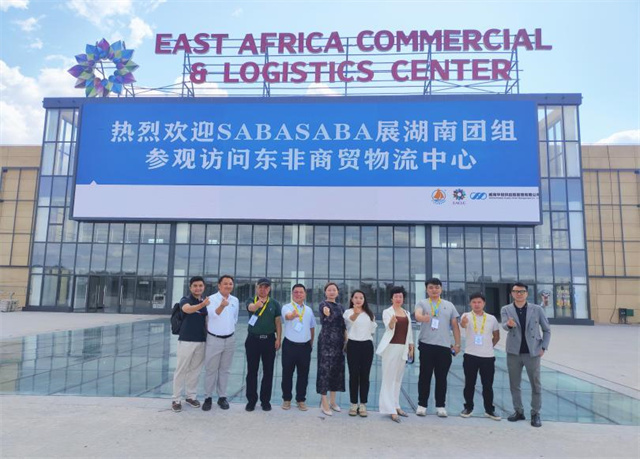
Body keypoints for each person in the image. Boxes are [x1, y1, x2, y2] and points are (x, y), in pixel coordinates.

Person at [501, 282, 551, 428]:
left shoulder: (537, 309)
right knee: (514, 384)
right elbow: (504, 326)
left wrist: (543, 347)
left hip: (532, 352)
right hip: (514, 352)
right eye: (516, 291)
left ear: (527, 293)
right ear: (512, 293)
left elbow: (547, 330)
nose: (519, 294)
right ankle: (518, 411)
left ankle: (535, 413)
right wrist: (509, 325)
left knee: (535, 384)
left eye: (522, 291)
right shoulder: (506, 309)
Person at [414, 277, 461, 418]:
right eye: (431, 287)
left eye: (437, 287)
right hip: (426, 345)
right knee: (425, 376)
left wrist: (457, 344)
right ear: (426, 289)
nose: (434, 290)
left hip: (444, 346)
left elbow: (455, 326)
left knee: (442, 377)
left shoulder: (449, 305)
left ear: (441, 289)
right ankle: (422, 405)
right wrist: (423, 318)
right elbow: (417, 315)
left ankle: (440, 406)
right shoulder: (422, 303)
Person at [459, 292, 501, 420]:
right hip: (470, 355)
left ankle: (489, 410)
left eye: (479, 302)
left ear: (484, 303)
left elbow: (496, 336)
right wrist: (463, 323)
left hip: (487, 357)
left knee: (487, 385)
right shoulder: (466, 316)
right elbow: (463, 325)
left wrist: (488, 347)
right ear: (470, 303)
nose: (476, 304)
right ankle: (468, 407)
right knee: (469, 384)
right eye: (474, 302)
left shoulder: (491, 318)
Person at [376, 286, 414, 423]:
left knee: (398, 379)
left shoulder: (406, 313)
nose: (398, 299)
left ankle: (396, 405)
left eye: (400, 296)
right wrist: (392, 323)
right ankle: (390, 409)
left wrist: (411, 345)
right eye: (396, 296)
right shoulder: (387, 312)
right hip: (391, 348)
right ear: (391, 298)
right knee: (388, 379)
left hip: (403, 348)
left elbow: (409, 331)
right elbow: (389, 327)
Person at [171, 276, 210, 412]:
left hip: (201, 341)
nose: (198, 288)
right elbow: (187, 309)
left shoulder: (204, 301)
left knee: (195, 371)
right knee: (181, 370)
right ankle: (176, 399)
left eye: (200, 285)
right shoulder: (185, 300)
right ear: (190, 287)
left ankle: (190, 396)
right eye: (195, 286)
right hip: (186, 340)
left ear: (204, 287)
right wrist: (202, 305)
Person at [202, 275, 239, 412]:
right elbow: (212, 315)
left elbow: (234, 319)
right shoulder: (211, 299)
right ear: (219, 285)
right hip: (214, 339)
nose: (228, 286)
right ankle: (208, 397)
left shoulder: (235, 300)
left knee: (225, 370)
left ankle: (222, 397)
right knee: (211, 370)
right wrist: (222, 306)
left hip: (230, 339)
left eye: (230, 284)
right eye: (225, 283)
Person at [244, 277, 282, 412]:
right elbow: (250, 307)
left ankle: (265, 401)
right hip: (253, 340)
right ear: (256, 288)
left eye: (266, 287)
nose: (263, 289)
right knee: (252, 371)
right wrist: (256, 306)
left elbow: (278, 322)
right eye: (260, 286)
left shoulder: (274, 303)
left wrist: (278, 338)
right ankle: (251, 401)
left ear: (269, 289)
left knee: (268, 372)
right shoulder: (251, 300)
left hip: (269, 340)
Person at [280, 283, 316, 411]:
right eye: (295, 292)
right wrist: (292, 315)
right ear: (292, 294)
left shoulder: (309, 310)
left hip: (305, 347)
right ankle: (287, 399)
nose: (298, 294)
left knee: (303, 375)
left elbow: (312, 327)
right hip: (289, 346)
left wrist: (311, 343)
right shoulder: (287, 307)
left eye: (301, 292)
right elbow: (287, 316)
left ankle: (301, 400)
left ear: (305, 294)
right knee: (287, 374)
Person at [343, 290, 377, 417]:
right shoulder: (348, 312)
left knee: (365, 376)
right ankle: (353, 404)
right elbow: (349, 321)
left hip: (367, 346)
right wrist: (356, 313)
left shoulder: (370, 314)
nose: (358, 300)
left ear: (364, 300)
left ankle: (363, 404)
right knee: (353, 375)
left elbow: (372, 331)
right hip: (353, 345)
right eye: (356, 297)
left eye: (361, 298)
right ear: (352, 299)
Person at [317, 282, 346, 416]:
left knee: (336, 370)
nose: (332, 292)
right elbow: (324, 319)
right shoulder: (323, 305)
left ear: (337, 292)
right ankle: (324, 403)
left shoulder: (341, 307)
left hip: (339, 342)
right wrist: (327, 314)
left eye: (334, 290)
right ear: (325, 292)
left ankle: (333, 401)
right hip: (326, 341)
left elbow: (343, 325)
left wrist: (346, 341)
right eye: (329, 290)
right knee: (324, 371)